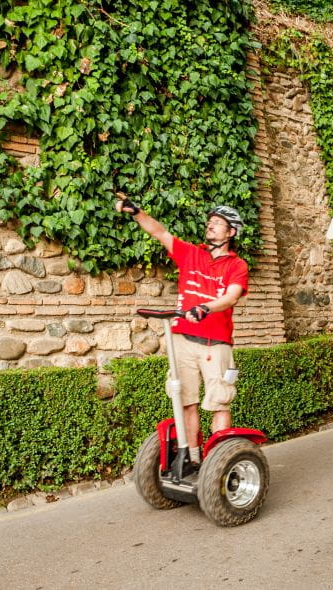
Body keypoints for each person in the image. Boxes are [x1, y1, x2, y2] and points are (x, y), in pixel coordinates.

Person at [116, 195, 248, 464]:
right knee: (185, 401)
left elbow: (232, 296)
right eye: (209, 221)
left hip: (216, 342)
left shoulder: (237, 265)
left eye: (218, 223)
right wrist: (137, 213)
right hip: (182, 340)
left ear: (231, 232)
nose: (210, 225)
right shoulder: (191, 253)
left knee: (219, 402)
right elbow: (160, 232)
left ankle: (218, 463)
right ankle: (195, 460)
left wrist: (205, 308)